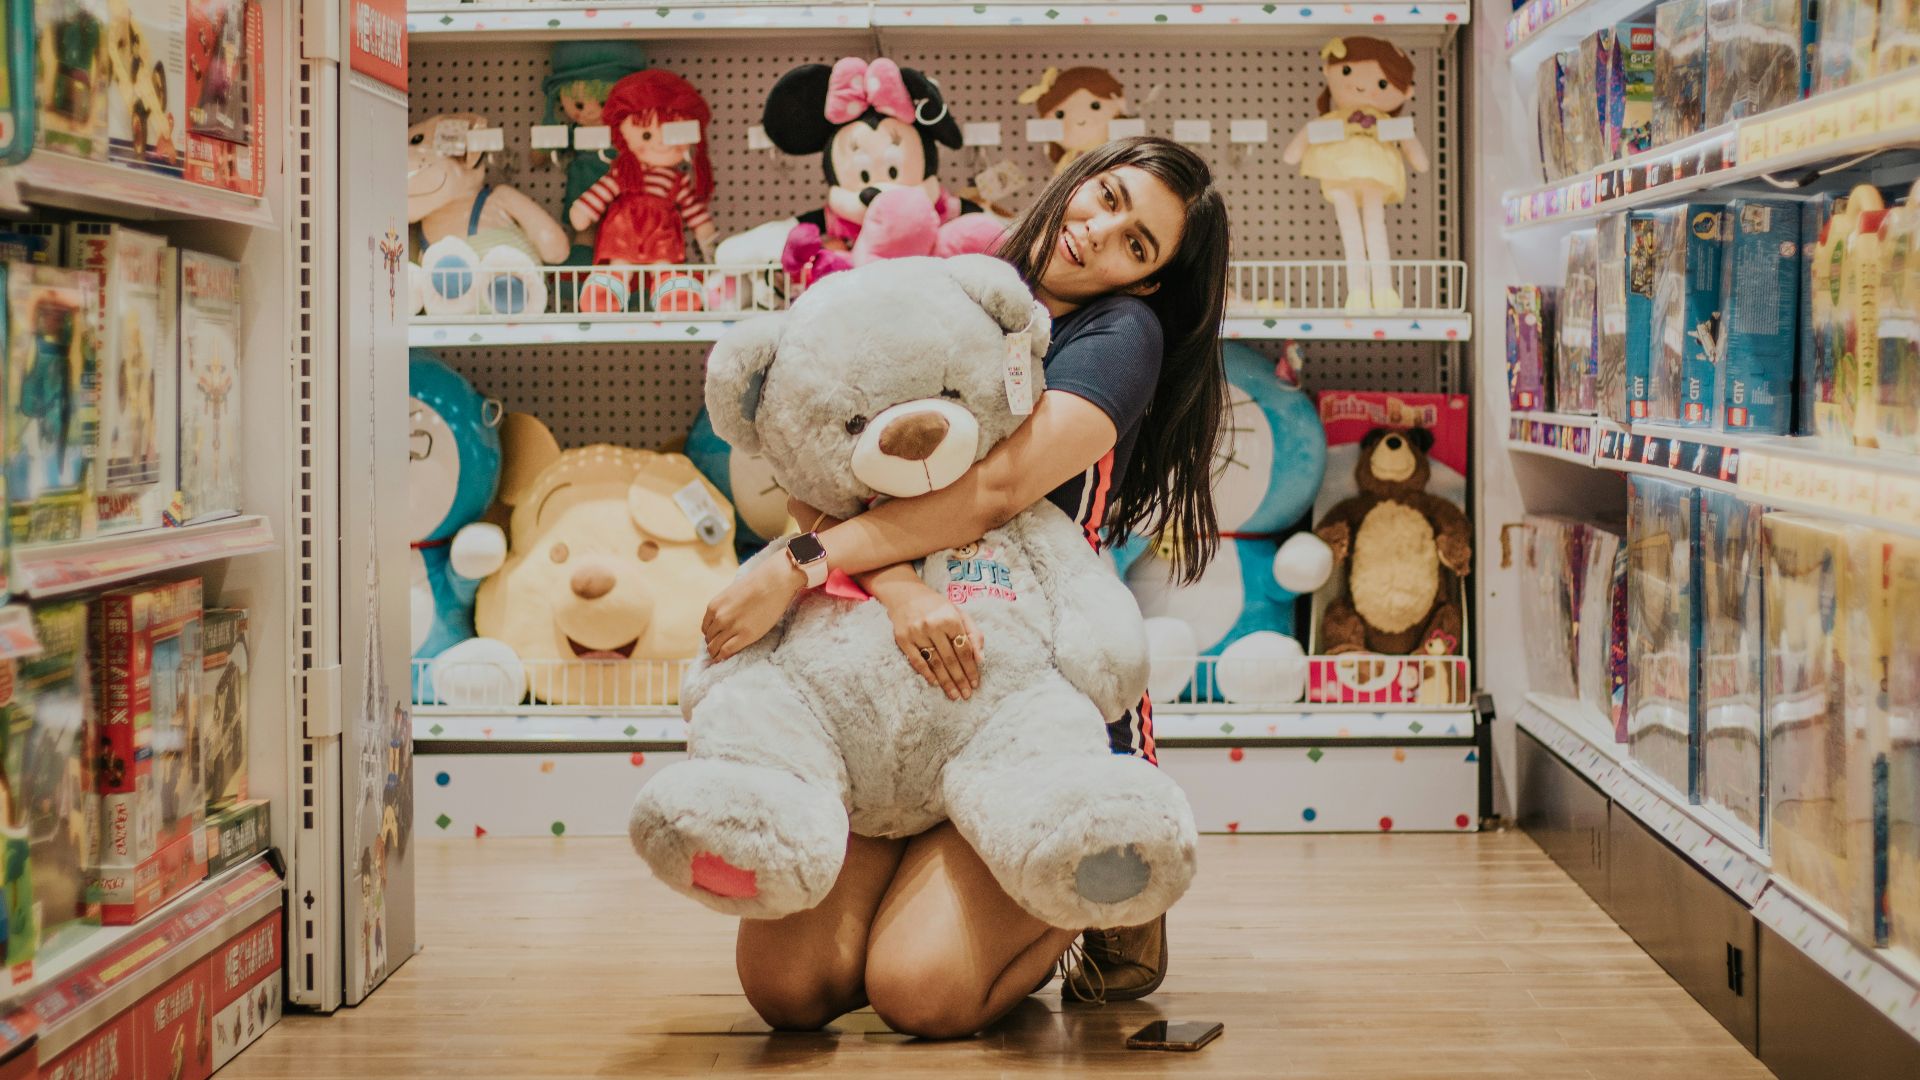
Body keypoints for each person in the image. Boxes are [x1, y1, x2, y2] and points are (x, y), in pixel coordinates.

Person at [699, 135, 1230, 1040]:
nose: (1098, 233)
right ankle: (920, 873)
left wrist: (800, 565)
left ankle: (1074, 911)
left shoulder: (1118, 335)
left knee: (920, 991)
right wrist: (900, 589)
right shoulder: (955, 281)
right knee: (786, 987)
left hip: (1029, 704)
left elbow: (991, 493)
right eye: (1103, 199)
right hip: (883, 692)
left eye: (1137, 244)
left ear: (1147, 281)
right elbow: (818, 442)